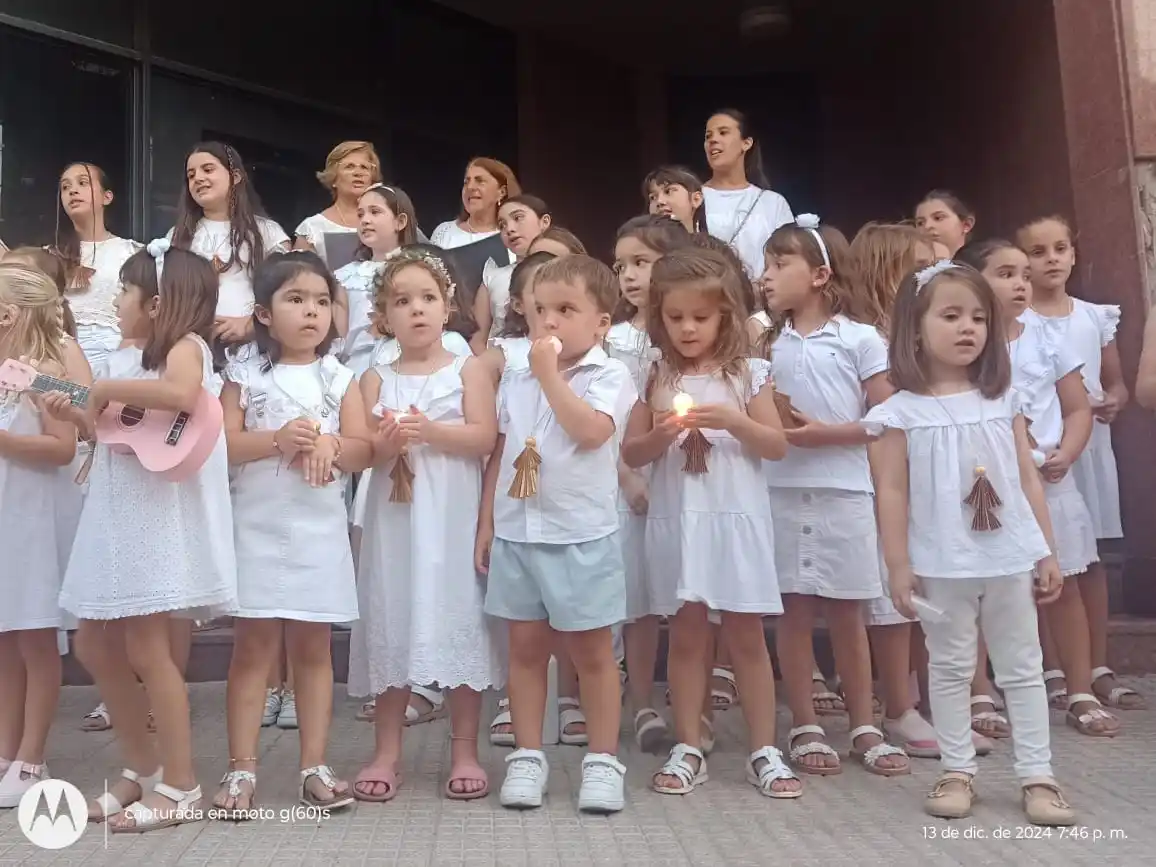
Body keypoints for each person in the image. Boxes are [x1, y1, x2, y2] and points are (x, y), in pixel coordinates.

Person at [865, 260, 1074, 826]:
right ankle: (957, 769)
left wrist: (1045, 549)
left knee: (1021, 666)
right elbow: (890, 491)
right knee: (952, 665)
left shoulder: (1002, 401)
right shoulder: (897, 415)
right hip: (942, 559)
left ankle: (1038, 775)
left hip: (1007, 555)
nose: (968, 328)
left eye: (979, 317)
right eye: (951, 315)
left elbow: (1026, 479)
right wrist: (898, 564)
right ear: (914, 330)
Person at [52, 241, 236, 832]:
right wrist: (69, 408)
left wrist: (104, 394)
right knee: (93, 646)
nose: (117, 302)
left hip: (156, 520)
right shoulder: (117, 363)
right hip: (114, 511)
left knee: (148, 650)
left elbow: (181, 396)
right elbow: (101, 429)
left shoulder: (187, 349)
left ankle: (181, 785)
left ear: (156, 303)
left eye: (126, 292)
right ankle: (143, 767)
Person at [621, 246, 801, 800]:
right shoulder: (654, 372)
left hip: (734, 520)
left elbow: (775, 445)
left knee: (745, 636)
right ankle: (688, 744)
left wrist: (733, 420)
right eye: (675, 318)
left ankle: (763, 749)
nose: (687, 328)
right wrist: (661, 435)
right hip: (681, 520)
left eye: (700, 317)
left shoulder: (748, 374)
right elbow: (632, 453)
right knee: (688, 635)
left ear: (725, 314)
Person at [212, 251, 372, 817]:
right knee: (253, 648)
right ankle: (241, 768)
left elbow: (363, 448)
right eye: (295, 300)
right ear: (262, 312)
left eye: (322, 302)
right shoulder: (243, 374)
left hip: (317, 529)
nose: (311, 312)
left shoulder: (339, 376)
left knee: (313, 648)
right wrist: (275, 440)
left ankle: (314, 765)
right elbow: (223, 444)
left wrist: (333, 445)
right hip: (255, 525)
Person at [476, 255, 636, 812]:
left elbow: (591, 432)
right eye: (540, 310)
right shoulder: (517, 375)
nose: (549, 322)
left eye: (566, 310)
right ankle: (526, 755)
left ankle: (601, 760)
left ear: (601, 323)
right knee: (524, 648)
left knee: (591, 652)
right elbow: (504, 450)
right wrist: (487, 522)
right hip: (520, 531)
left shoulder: (610, 374)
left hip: (579, 533)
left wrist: (548, 376)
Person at [349, 247, 503, 802]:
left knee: (457, 617)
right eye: (401, 301)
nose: (416, 310)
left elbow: (484, 438)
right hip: (393, 520)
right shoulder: (373, 377)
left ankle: (465, 750)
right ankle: (386, 751)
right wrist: (383, 443)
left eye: (427, 298)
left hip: (450, 513)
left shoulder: (467, 369)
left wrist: (429, 433)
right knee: (392, 617)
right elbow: (361, 449)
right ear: (384, 316)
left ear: (448, 307)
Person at [759, 216, 907, 778]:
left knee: (850, 611)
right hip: (782, 488)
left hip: (844, 488)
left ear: (819, 275)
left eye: (780, 265)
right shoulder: (766, 341)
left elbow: (888, 414)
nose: (767, 277)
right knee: (793, 609)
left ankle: (864, 722)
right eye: (767, 266)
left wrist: (825, 433)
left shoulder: (859, 337)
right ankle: (804, 721)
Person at [1018, 215, 1138, 720]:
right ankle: (1054, 666)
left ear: (1073, 253)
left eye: (1059, 248)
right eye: (1038, 252)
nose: (1051, 259)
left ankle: (1097, 666)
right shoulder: (1017, 324)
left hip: (1087, 450)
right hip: (1040, 455)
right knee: (1047, 558)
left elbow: (1116, 383)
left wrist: (1112, 399)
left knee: (1089, 560)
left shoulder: (1094, 317)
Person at [610, 215, 689, 752]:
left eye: (642, 262)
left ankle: (694, 708)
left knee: (689, 601)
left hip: (685, 480)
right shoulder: (611, 340)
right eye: (622, 266)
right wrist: (627, 477)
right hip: (620, 479)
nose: (630, 275)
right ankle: (640, 701)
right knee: (634, 598)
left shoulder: (689, 335)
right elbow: (603, 422)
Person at [0, 264, 78, 807]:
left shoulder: (49, 368)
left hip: (33, 514)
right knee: (6, 638)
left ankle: (33, 755)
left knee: (34, 636)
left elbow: (63, 446)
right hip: (5, 511)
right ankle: (6, 751)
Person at [168, 141, 290, 362]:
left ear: (235, 176)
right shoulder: (177, 236)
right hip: (191, 348)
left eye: (208, 169)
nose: (198, 179)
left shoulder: (266, 232)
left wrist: (249, 324)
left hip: (252, 347)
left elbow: (287, 287)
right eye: (191, 175)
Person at [54, 163, 141, 366]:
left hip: (117, 360)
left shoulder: (132, 252)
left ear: (107, 197)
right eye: (65, 188)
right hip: (61, 362)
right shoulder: (51, 254)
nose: (73, 190)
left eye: (82, 183)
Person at [333, 183, 419, 376]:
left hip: (407, 362)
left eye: (375, 212)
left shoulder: (420, 270)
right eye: (361, 214)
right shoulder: (346, 276)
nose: (365, 220)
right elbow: (340, 337)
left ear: (400, 221)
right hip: (359, 367)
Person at [701, 109, 794, 280]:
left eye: (723, 132)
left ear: (746, 143)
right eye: (708, 136)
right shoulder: (693, 198)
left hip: (762, 303)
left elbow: (789, 259)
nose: (713, 140)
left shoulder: (772, 203)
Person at [472, 195, 553, 350]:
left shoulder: (566, 269)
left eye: (518, 218)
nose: (509, 229)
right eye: (502, 225)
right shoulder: (493, 277)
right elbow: (479, 337)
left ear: (544, 221)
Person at [294, 141, 382, 265]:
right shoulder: (313, 228)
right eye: (349, 166)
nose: (358, 172)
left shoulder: (391, 220)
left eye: (364, 167)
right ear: (333, 178)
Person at [643, 166, 707, 234]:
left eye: (668, 191)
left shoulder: (709, 244)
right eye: (653, 197)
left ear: (696, 199)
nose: (659, 201)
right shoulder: (637, 243)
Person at [914, 190, 975, 256]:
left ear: (966, 225)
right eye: (920, 223)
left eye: (938, 218)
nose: (927, 226)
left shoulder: (985, 262)